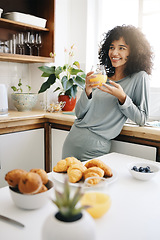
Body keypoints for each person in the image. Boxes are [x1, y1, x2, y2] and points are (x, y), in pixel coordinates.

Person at [62, 25, 153, 161]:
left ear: (133, 52)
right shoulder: (102, 78)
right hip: (72, 141)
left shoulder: (139, 78)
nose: (114, 53)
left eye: (121, 48)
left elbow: (142, 119)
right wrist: (87, 90)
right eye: (112, 47)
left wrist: (122, 97)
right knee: (64, 182)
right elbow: (79, 114)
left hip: (96, 148)